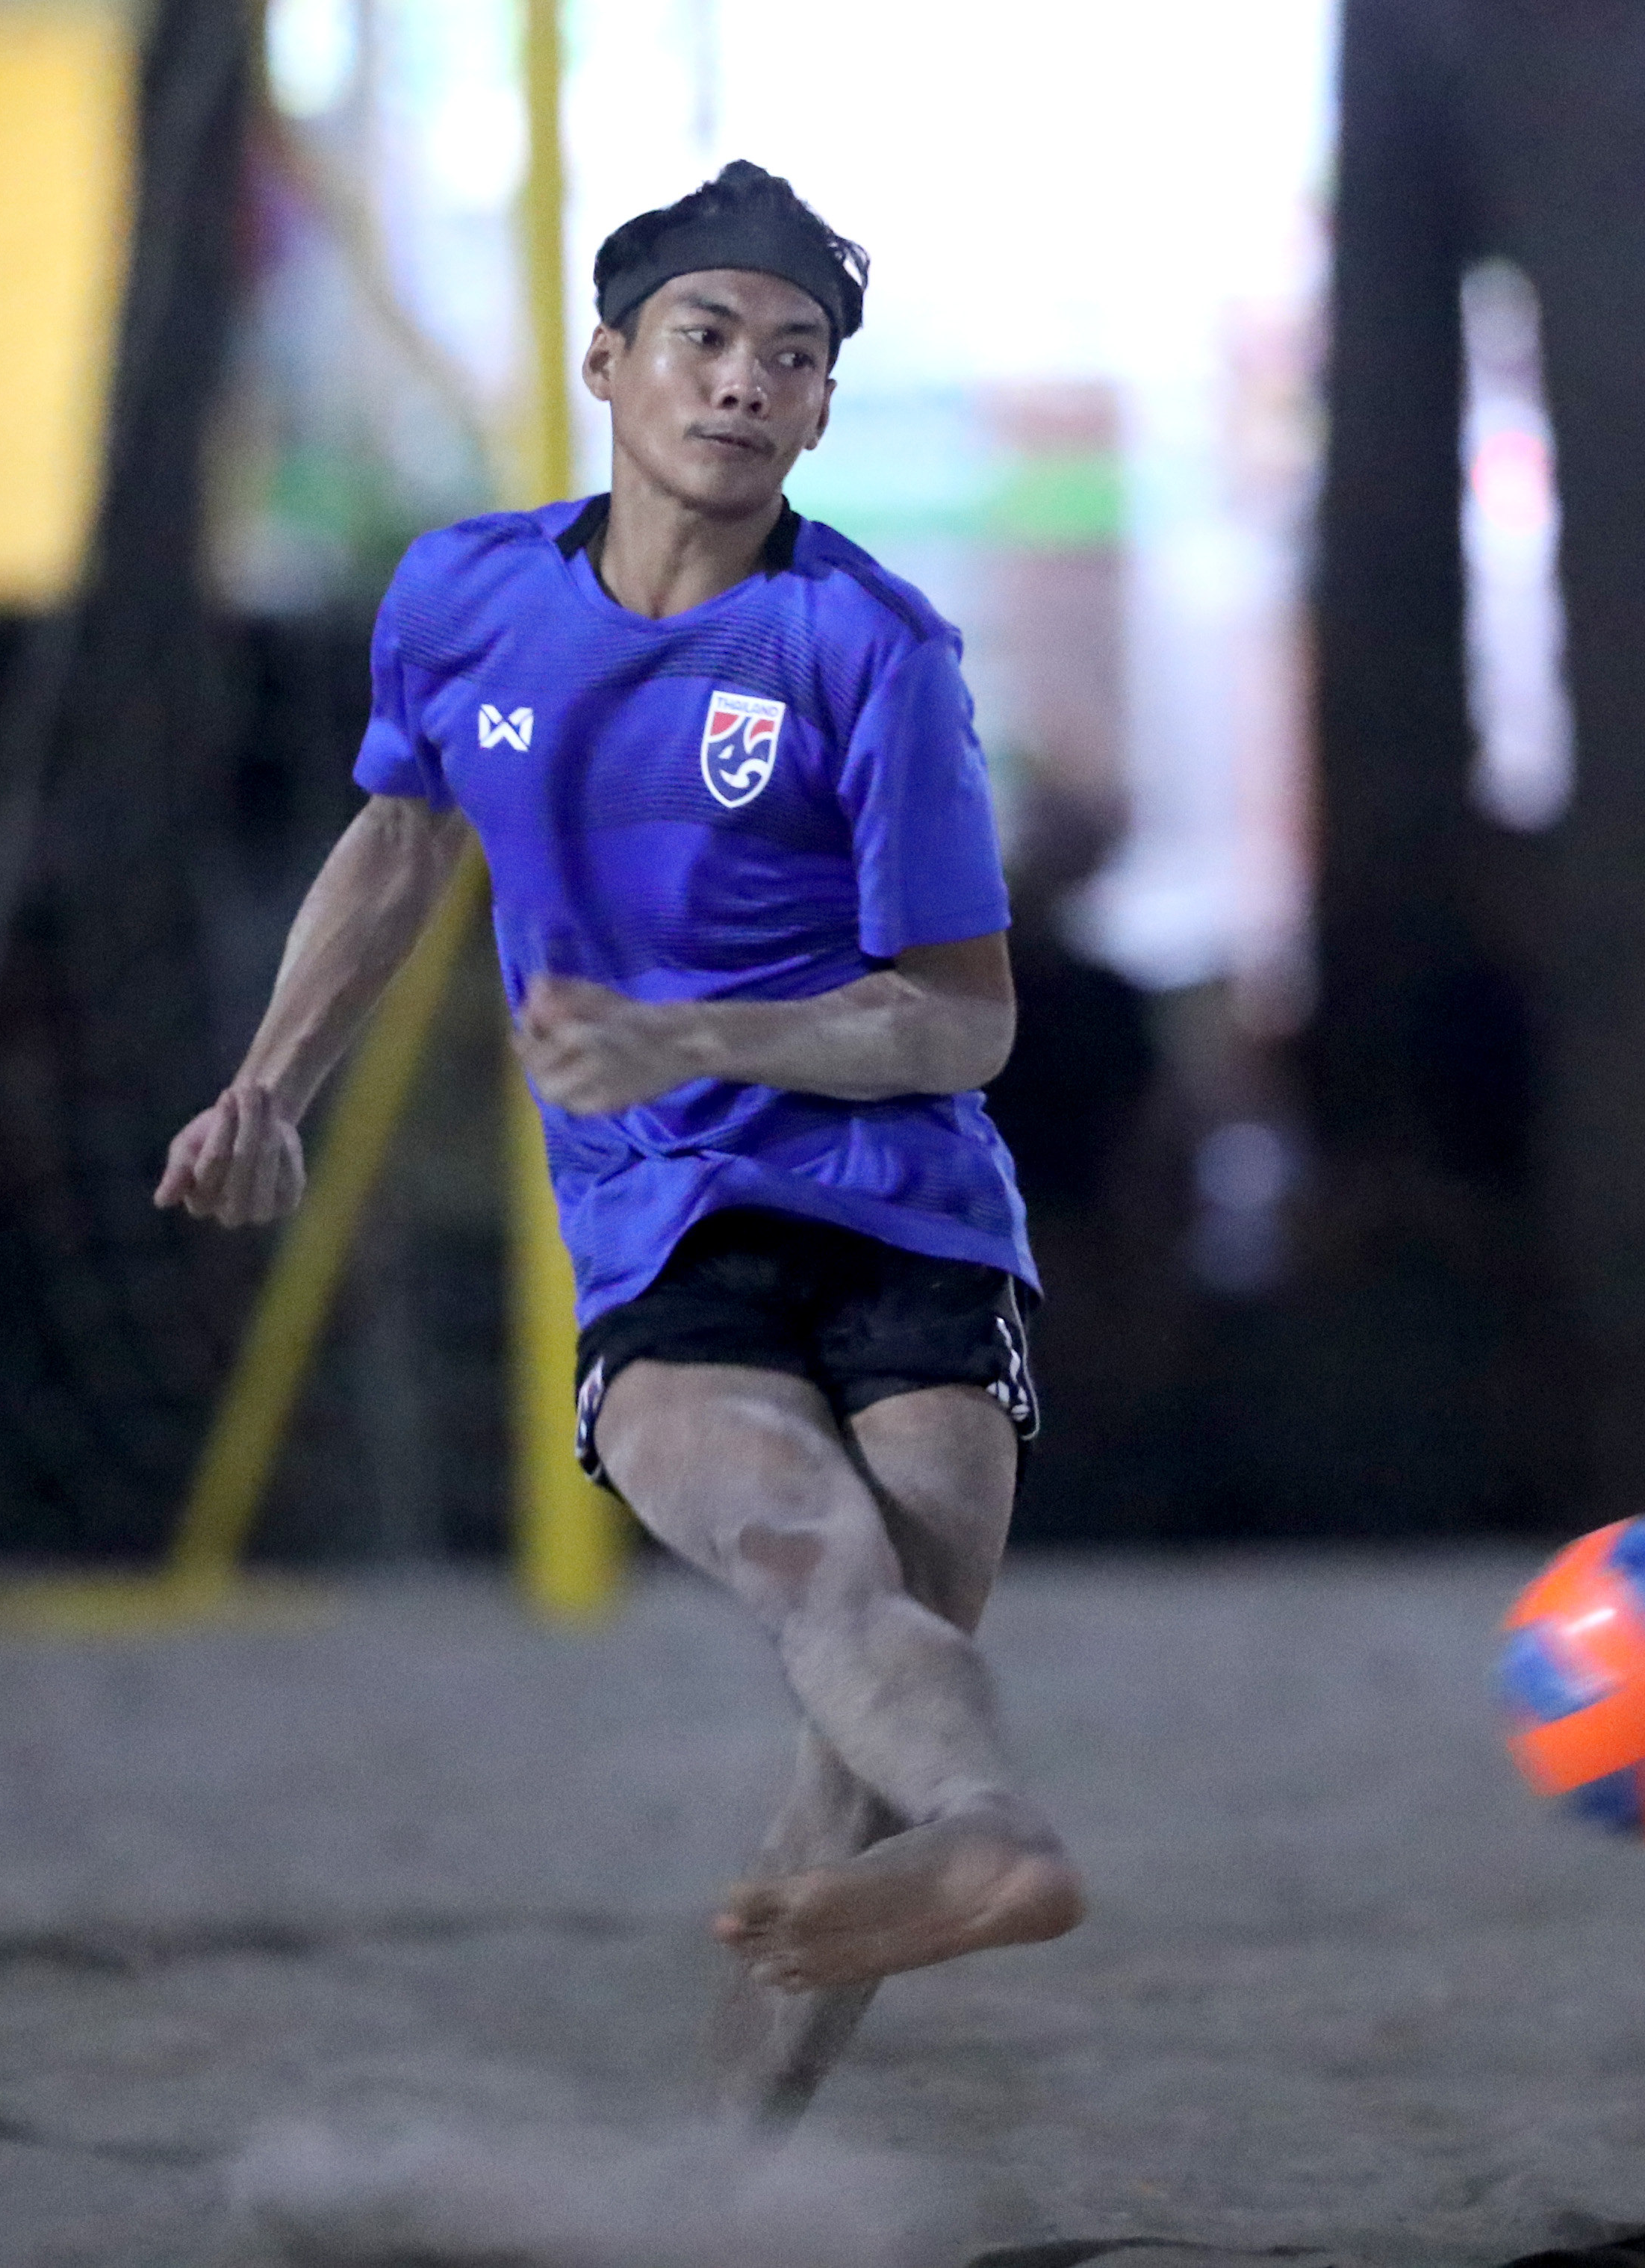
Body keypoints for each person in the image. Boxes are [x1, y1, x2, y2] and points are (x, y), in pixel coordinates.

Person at [156, 161, 1081, 2122]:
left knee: (856, 1686)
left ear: (823, 408)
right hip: (674, 1238)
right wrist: (266, 1086)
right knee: (834, 1590)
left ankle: (774, 2115)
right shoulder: (463, 597)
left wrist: (693, 1029)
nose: (745, 381)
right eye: (707, 336)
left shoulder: (873, 652)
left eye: (794, 356)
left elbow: (964, 1013)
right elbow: (403, 835)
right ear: (609, 356)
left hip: (912, 1217)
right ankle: (978, 1846)